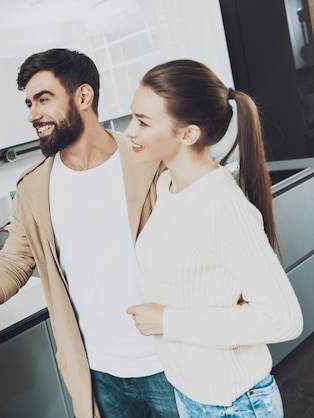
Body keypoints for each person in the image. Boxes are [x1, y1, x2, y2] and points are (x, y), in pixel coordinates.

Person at [0, 48, 178, 417]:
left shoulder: (149, 161)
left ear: (83, 97)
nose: (32, 115)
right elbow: (14, 261)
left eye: (43, 99)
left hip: (169, 358)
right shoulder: (34, 188)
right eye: (28, 103)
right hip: (99, 370)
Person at [124, 59, 303, 417]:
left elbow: (283, 319)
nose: (130, 131)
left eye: (143, 122)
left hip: (235, 404)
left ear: (188, 134)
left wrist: (168, 321)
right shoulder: (167, 185)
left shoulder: (223, 207)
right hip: (190, 393)